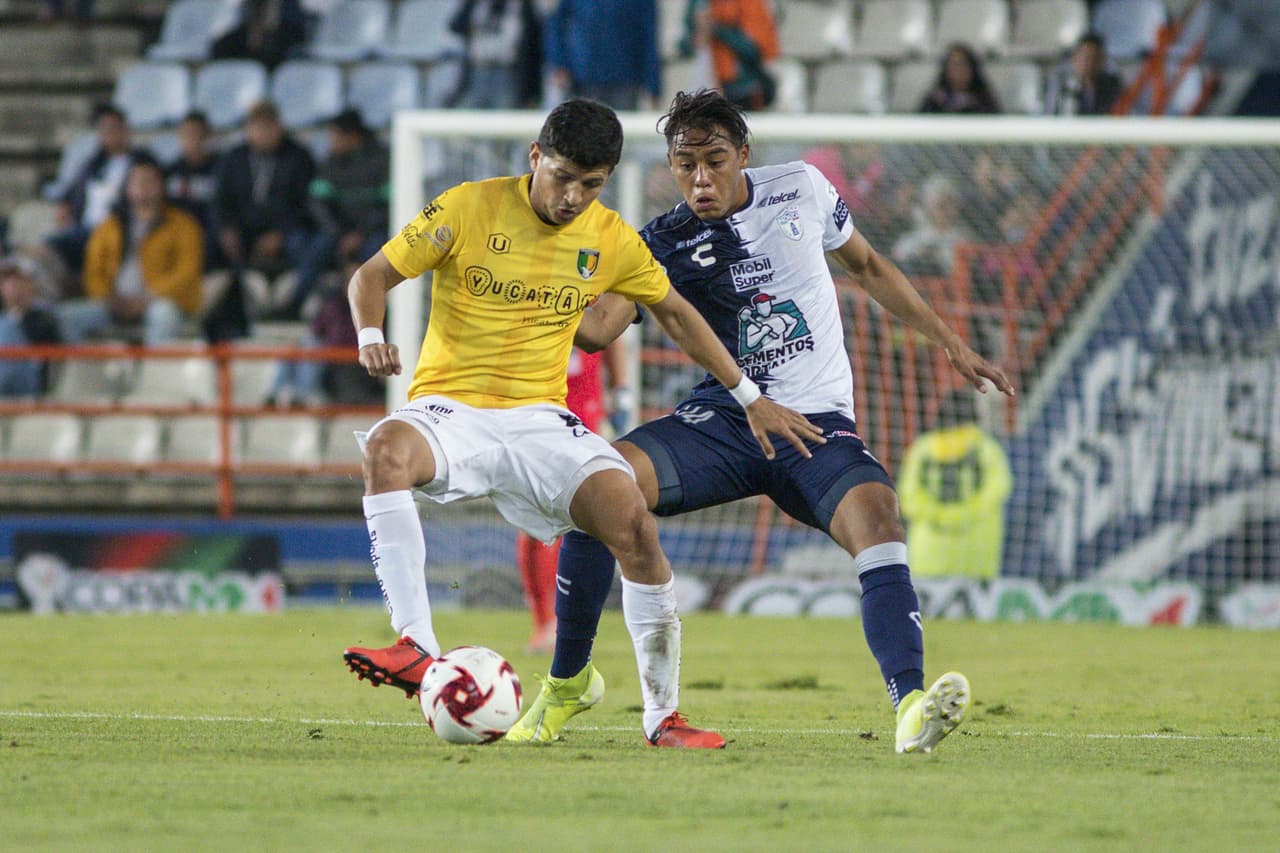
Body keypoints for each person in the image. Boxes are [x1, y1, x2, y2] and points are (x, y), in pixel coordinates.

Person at [507, 89, 1015, 755]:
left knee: (878, 517)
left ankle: (912, 703)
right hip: (724, 421)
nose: (700, 178)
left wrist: (951, 342)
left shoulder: (800, 187)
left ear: (743, 155)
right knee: (599, 483)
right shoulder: (660, 240)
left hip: (814, 426)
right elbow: (601, 330)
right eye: (685, 164)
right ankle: (568, 681)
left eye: (715, 161)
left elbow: (866, 265)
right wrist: (536, 284)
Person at [339, 98, 823, 749]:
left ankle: (662, 716)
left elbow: (669, 315)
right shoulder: (466, 206)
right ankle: (417, 645)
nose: (572, 197)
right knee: (385, 450)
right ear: (536, 157)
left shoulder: (610, 237)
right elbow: (370, 276)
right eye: (562, 177)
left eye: (589, 184)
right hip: (451, 408)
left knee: (627, 512)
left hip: (540, 417)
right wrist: (370, 333)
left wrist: (748, 394)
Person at [518, 339, 628, 654]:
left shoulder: (593, 292)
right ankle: (545, 622)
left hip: (584, 409)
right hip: (536, 408)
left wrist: (621, 391)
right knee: (535, 519)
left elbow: (612, 330)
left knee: (573, 517)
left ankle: (563, 623)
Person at [59, 157, 204, 345]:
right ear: (127, 187)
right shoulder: (108, 227)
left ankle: (154, 373)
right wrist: (108, 298)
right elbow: (94, 272)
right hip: (114, 302)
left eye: (150, 180)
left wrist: (147, 297)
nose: (143, 186)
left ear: (162, 186)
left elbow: (187, 272)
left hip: (159, 301)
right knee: (66, 317)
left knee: (164, 315)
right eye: (137, 181)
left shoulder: (184, 226)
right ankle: (84, 373)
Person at [213, 100, 315, 312]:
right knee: (211, 242)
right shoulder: (234, 158)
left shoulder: (298, 157)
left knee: (302, 244)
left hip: (287, 229)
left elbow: (306, 204)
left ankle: (293, 304)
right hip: (244, 228)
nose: (263, 133)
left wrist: (281, 233)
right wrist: (226, 228)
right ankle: (226, 312)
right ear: (248, 130)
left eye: (268, 127)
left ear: (279, 127)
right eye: (257, 127)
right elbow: (221, 200)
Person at [898, 390, 1012, 579]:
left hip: (929, 552)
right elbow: (999, 488)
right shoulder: (987, 447)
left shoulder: (922, 448)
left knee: (925, 606)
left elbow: (908, 498)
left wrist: (941, 516)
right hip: (977, 549)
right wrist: (964, 513)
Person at [289, 109, 389, 319]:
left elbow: (388, 206)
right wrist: (341, 233)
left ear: (353, 137)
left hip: (373, 232)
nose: (330, 142)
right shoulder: (330, 163)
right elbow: (318, 203)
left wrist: (360, 233)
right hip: (339, 232)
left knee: (378, 259)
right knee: (316, 250)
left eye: (335, 136)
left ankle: (380, 314)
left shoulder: (383, 162)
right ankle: (294, 304)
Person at [46, 103, 141, 280]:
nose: (109, 135)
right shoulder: (93, 163)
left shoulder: (141, 162)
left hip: (119, 229)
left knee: (53, 245)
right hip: (85, 228)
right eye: (104, 131)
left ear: (126, 130)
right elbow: (70, 192)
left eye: (114, 129)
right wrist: (65, 207)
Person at [543, 0, 660, 110]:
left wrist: (653, 85)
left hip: (624, 81)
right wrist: (558, 63)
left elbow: (649, 36)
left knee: (620, 127)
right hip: (582, 78)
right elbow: (555, 25)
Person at [679, 0, 779, 111]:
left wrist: (716, 28)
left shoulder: (750, 3)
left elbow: (756, 50)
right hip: (705, 85)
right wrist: (699, 33)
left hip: (742, 90)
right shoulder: (698, 3)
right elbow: (683, 47)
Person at [449, 0, 544, 109]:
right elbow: (455, 25)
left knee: (505, 117)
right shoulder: (477, 4)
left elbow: (533, 46)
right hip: (477, 71)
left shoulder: (523, 5)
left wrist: (531, 91)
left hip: (507, 72)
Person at [891, 173, 975, 276]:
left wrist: (938, 257)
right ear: (929, 208)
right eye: (941, 206)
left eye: (952, 205)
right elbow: (899, 255)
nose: (947, 211)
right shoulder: (917, 235)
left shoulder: (963, 237)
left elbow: (962, 268)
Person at [0, 255, 61, 397]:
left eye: (19, 279)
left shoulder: (45, 321)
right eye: (7, 280)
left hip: (30, 394)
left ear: (31, 284)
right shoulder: (4, 319)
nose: (13, 285)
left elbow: (47, 366)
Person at [1045, 33, 1124, 116]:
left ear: (1102, 61)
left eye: (1094, 58)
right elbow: (1050, 115)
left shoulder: (1112, 85)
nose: (1089, 63)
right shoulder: (1061, 83)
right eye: (1086, 57)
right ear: (1075, 58)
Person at [918, 43, 1001, 114]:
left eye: (963, 64)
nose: (958, 70)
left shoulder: (983, 101)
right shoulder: (934, 101)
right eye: (954, 65)